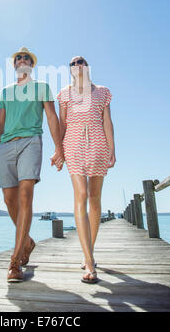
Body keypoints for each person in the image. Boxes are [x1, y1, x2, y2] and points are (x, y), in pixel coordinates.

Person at [0, 47, 64, 282]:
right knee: (9, 200)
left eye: (26, 58)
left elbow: (52, 117)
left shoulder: (42, 88)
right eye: (18, 58)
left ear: (31, 65)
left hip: (30, 142)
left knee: (25, 196)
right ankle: (28, 241)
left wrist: (59, 147)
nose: (22, 60)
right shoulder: (5, 91)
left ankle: (15, 262)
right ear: (14, 65)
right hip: (5, 147)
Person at [56, 56, 116, 283]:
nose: (77, 65)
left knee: (95, 197)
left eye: (81, 61)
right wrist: (58, 151)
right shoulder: (64, 93)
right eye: (72, 63)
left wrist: (112, 147)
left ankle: (87, 250)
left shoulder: (102, 91)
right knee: (80, 194)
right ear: (70, 70)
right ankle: (90, 262)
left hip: (98, 140)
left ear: (87, 67)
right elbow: (62, 123)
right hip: (72, 141)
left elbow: (107, 121)